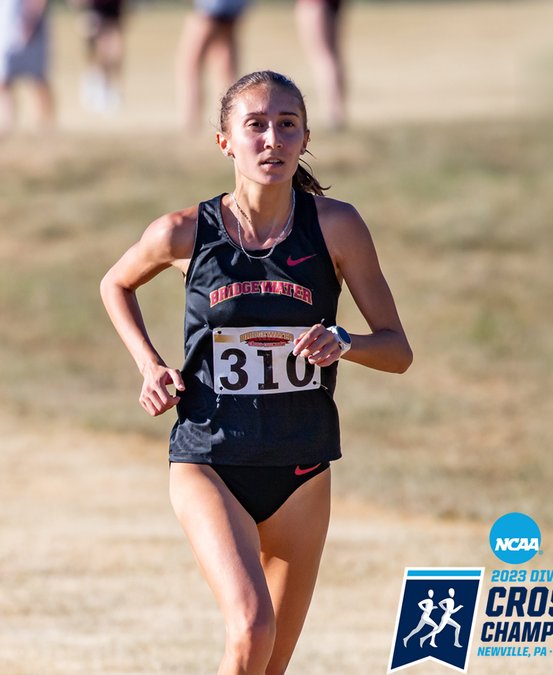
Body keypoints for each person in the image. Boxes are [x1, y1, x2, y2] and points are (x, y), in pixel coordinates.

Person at [100, 70, 413, 673]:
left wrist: (344, 341)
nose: (272, 138)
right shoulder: (183, 231)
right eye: (256, 126)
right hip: (210, 457)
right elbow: (115, 283)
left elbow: (398, 351)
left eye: (287, 125)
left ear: (304, 138)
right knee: (250, 626)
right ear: (226, 142)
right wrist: (150, 364)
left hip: (302, 466)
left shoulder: (336, 226)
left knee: (269, 664)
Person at [177, 0, 249, 130]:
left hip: (212, 6)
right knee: (225, 63)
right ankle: (232, 119)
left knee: (191, 64)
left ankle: (192, 121)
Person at [0, 0, 54, 135]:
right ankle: (8, 123)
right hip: (8, 25)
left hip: (28, 24)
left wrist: (30, 21)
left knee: (37, 78)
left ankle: (46, 125)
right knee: (4, 80)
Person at [294, 0, 346, 130]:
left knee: (322, 57)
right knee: (332, 56)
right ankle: (336, 112)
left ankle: (332, 114)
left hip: (314, 3)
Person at [75, 0, 125, 113]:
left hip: (113, 7)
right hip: (95, 8)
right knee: (99, 48)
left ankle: (110, 87)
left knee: (115, 50)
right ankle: (98, 84)